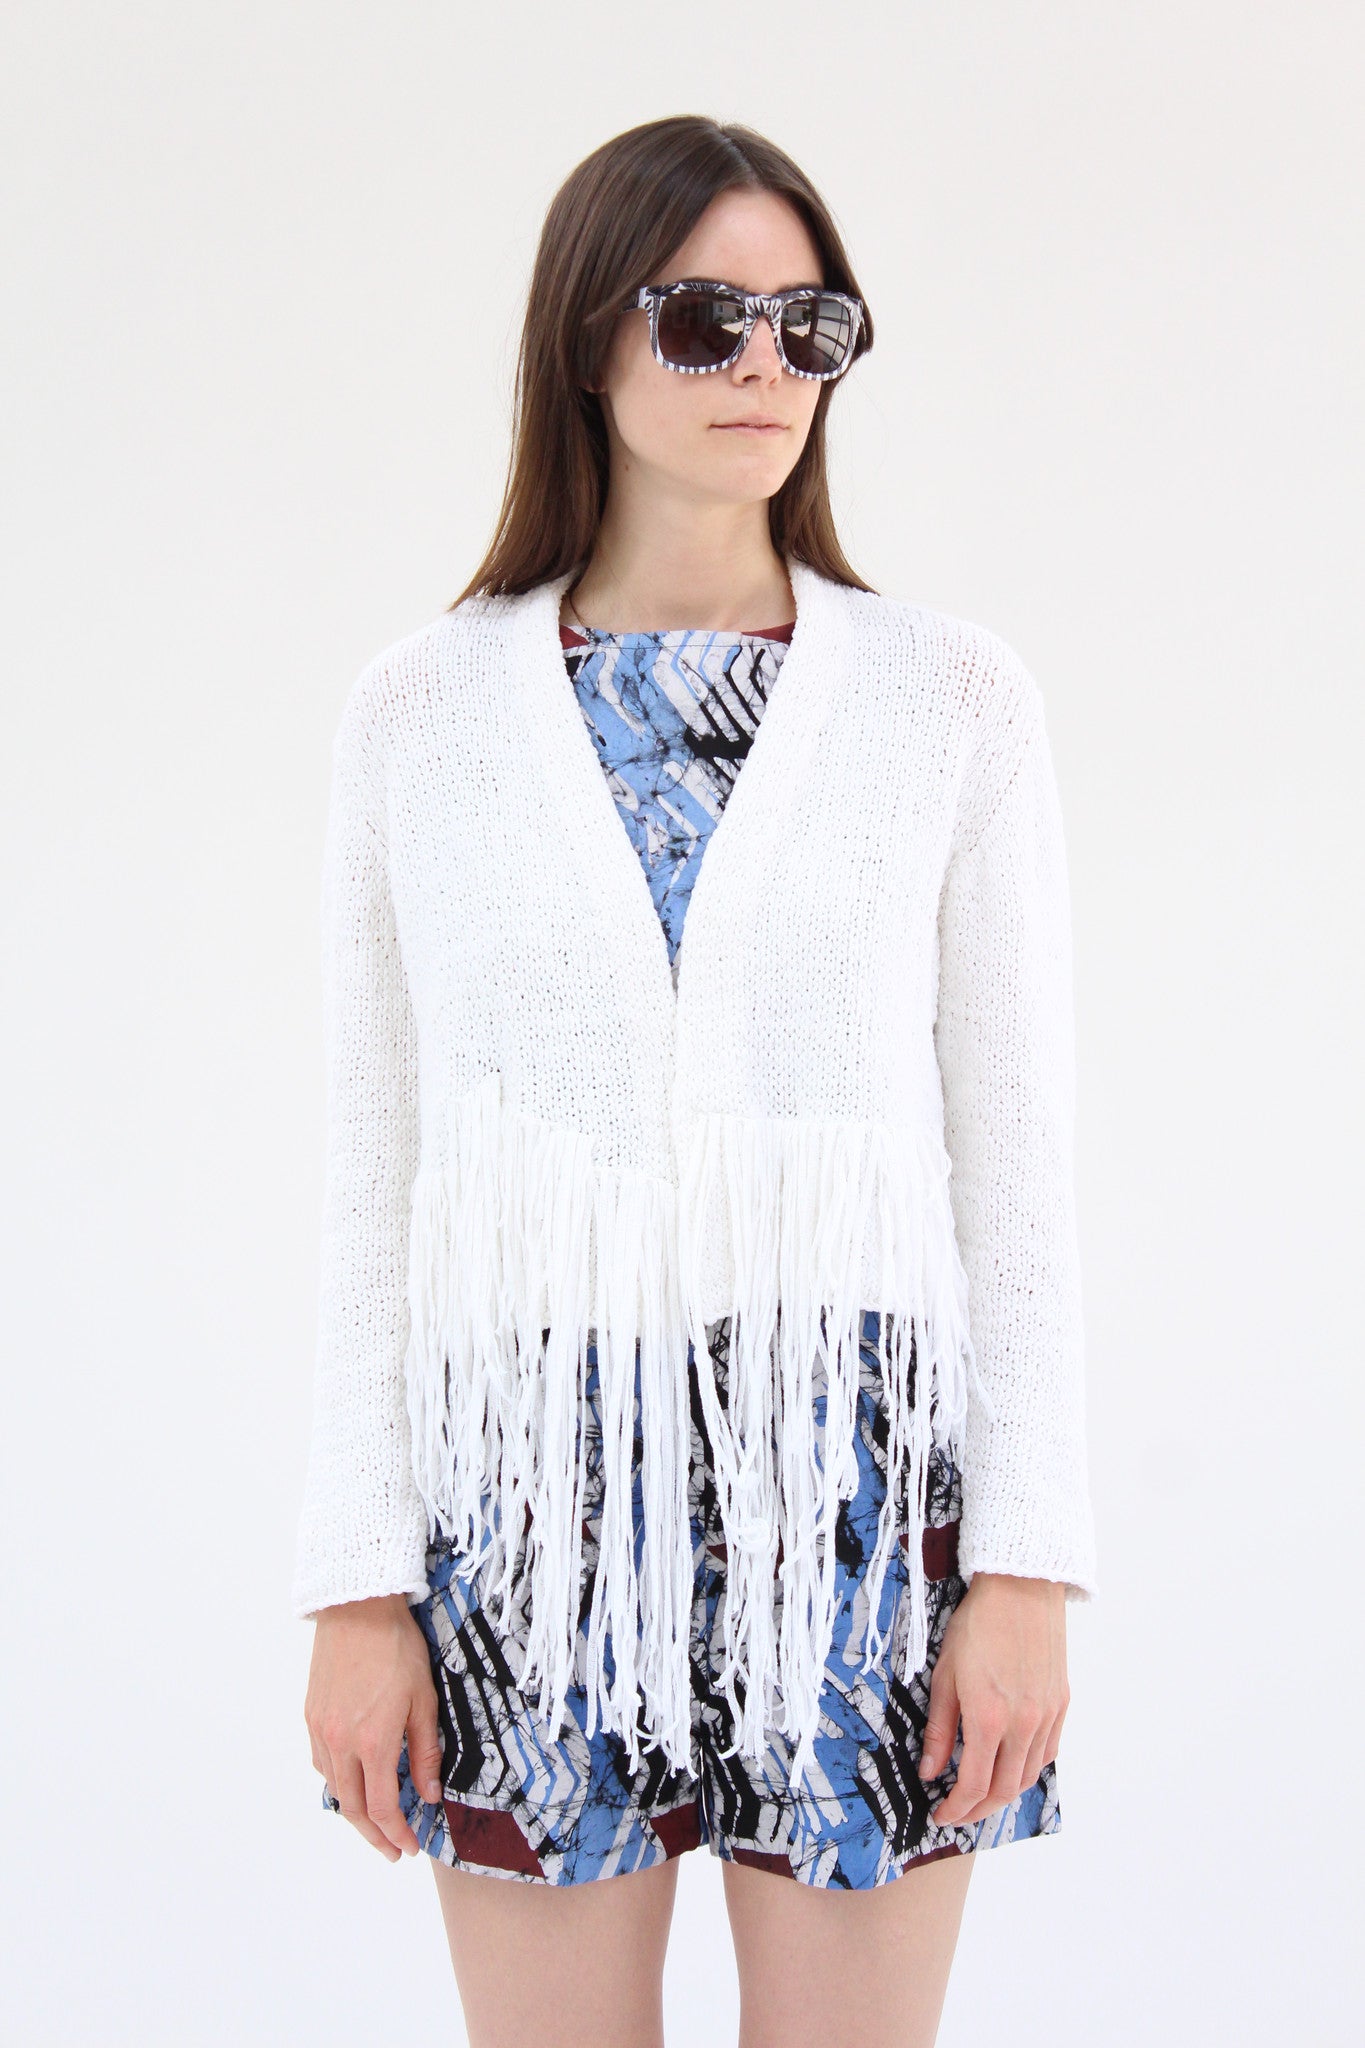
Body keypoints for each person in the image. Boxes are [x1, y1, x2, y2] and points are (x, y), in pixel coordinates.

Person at [295, 114, 1097, 2048]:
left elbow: (1017, 1164)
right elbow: (370, 1170)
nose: (763, 367)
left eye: (809, 325)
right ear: (587, 339)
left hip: (858, 1492)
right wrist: (353, 1589)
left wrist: (1024, 1571)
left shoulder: (947, 701)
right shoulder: (419, 714)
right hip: (520, 1505)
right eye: (704, 318)